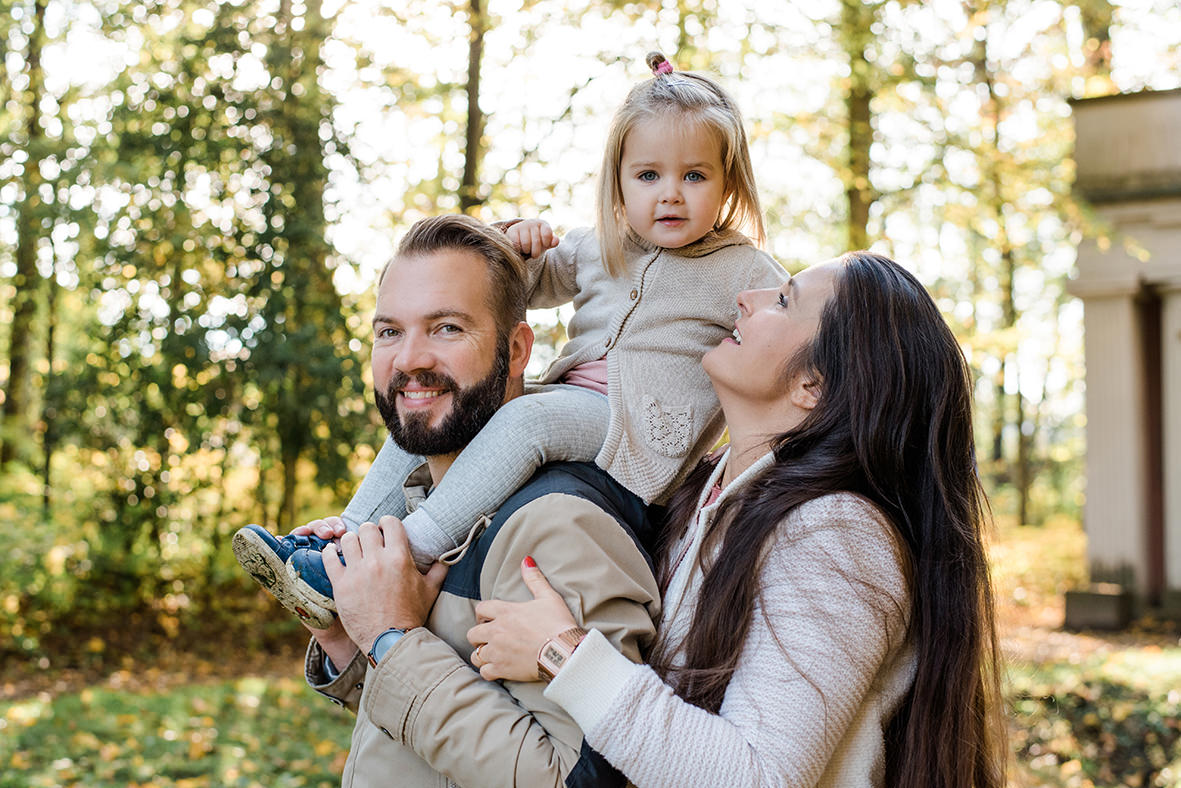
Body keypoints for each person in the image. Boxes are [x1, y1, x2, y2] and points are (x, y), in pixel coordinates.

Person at [231, 50, 785, 627]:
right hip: (571, 399)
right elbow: (521, 291)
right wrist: (521, 249)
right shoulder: (600, 245)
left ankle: (410, 550)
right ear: (618, 181)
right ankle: (346, 543)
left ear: (729, 181)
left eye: (694, 175)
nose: (670, 193)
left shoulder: (745, 270)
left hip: (642, 429)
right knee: (429, 404)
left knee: (524, 423)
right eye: (649, 175)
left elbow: (795, 337)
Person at [467, 252, 1008, 787]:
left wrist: (563, 654)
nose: (744, 299)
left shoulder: (836, 534)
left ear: (813, 385)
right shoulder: (700, 490)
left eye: (782, 300)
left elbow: (758, 775)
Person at [300, 213, 662, 787]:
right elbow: (440, 737)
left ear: (518, 350)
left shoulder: (553, 525)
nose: (409, 359)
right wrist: (355, 641)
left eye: (446, 328)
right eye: (389, 331)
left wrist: (392, 640)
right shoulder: (432, 507)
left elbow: (590, 777)